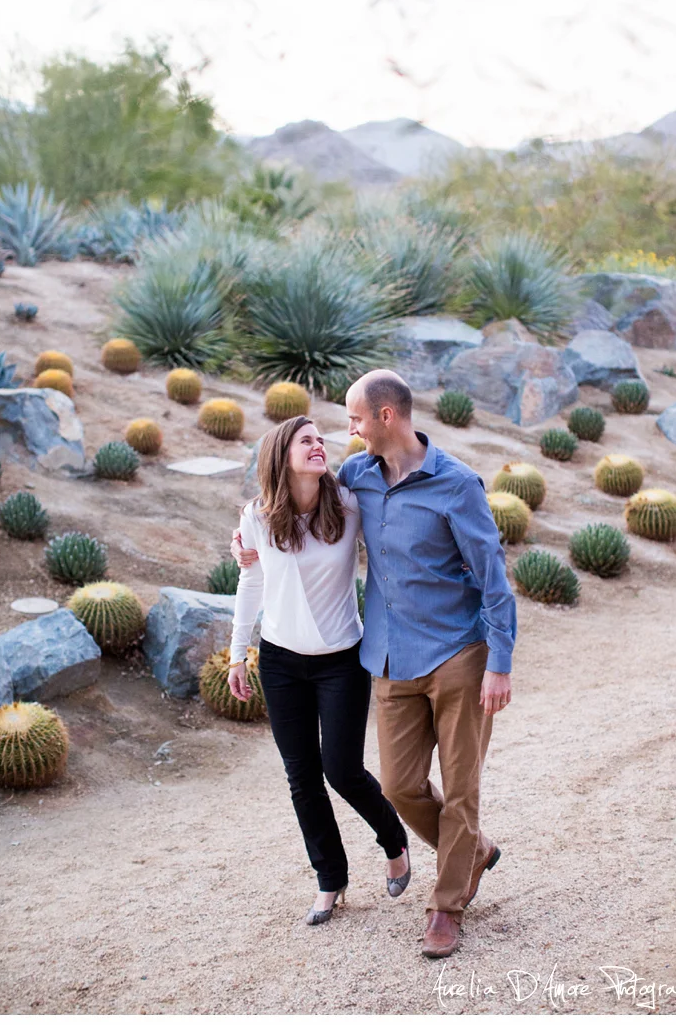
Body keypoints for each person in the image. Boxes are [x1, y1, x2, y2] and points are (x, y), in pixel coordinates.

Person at [236, 369, 516, 959]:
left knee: (461, 790)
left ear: (385, 417)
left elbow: (494, 581)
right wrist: (248, 552)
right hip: (388, 658)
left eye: (355, 418)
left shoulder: (457, 485)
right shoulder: (357, 479)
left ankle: (444, 909)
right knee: (400, 785)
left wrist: (500, 662)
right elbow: (288, 519)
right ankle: (475, 850)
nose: (349, 429)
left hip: (459, 654)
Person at [228, 415, 410, 927]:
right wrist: (238, 653)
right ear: (280, 455)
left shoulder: (348, 503)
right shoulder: (257, 517)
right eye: (306, 441)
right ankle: (330, 879)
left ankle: (393, 841)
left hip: (341, 659)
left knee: (342, 769)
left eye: (319, 440)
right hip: (281, 660)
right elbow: (251, 584)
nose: (318, 446)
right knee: (302, 777)